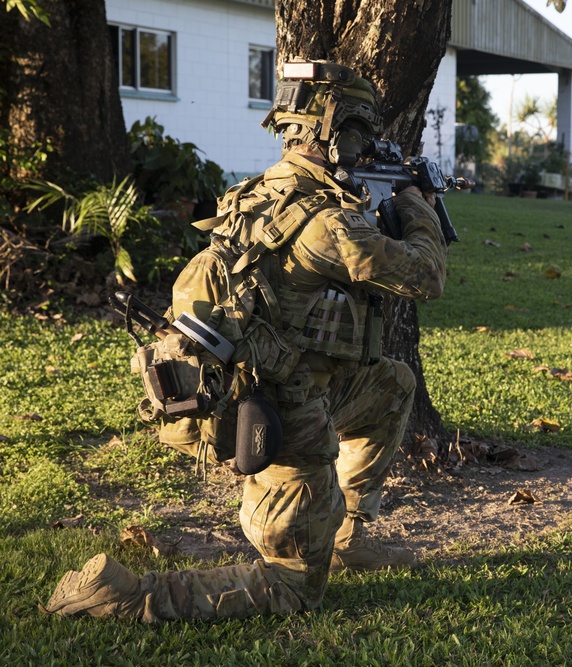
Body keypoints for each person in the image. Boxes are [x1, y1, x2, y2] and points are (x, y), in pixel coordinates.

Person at [44, 60, 448, 622]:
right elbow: (426, 276)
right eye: (363, 135)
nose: (366, 147)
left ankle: (350, 536)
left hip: (286, 382)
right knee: (293, 589)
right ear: (340, 133)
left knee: (392, 385)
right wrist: (415, 207)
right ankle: (124, 596)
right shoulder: (327, 223)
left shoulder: (253, 193)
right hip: (276, 414)